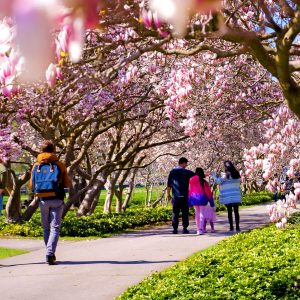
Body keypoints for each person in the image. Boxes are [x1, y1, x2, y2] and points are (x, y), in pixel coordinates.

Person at [30, 140, 71, 265]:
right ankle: (49, 253)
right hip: (57, 198)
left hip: (42, 199)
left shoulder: (36, 165)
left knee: (46, 227)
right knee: (55, 227)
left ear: (42, 151)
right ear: (53, 150)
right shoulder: (59, 164)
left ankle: (49, 252)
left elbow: (32, 185)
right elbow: (66, 183)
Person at [212, 160, 242, 232]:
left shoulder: (225, 175)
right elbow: (239, 183)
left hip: (228, 197)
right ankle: (237, 227)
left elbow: (218, 181)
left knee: (229, 212)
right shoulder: (237, 174)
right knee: (236, 212)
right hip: (235, 196)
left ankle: (231, 227)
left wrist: (214, 176)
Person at [167, 157, 194, 234]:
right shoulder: (187, 172)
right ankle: (185, 228)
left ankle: (175, 229)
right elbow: (196, 176)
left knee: (175, 212)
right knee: (185, 212)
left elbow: (169, 184)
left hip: (175, 196)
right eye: (186, 163)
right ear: (182, 163)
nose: (186, 165)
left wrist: (168, 194)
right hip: (184, 195)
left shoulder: (172, 172)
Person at [188, 168, 216, 235]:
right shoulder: (203, 182)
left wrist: (189, 201)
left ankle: (198, 229)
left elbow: (189, 191)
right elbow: (208, 192)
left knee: (197, 214)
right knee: (202, 214)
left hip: (194, 199)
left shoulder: (191, 181)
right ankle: (201, 228)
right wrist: (211, 202)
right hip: (202, 198)